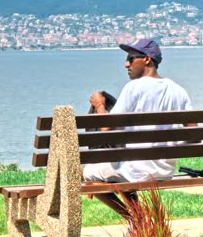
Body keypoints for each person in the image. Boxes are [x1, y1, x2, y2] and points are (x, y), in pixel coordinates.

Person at [82, 38, 197, 217]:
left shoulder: (133, 88)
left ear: (147, 59)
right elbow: (194, 135)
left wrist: (100, 105)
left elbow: (105, 130)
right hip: (165, 170)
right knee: (120, 167)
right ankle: (138, 218)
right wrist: (169, 146)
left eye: (131, 58)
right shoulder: (178, 90)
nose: (126, 64)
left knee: (81, 172)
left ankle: (136, 219)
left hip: (136, 171)